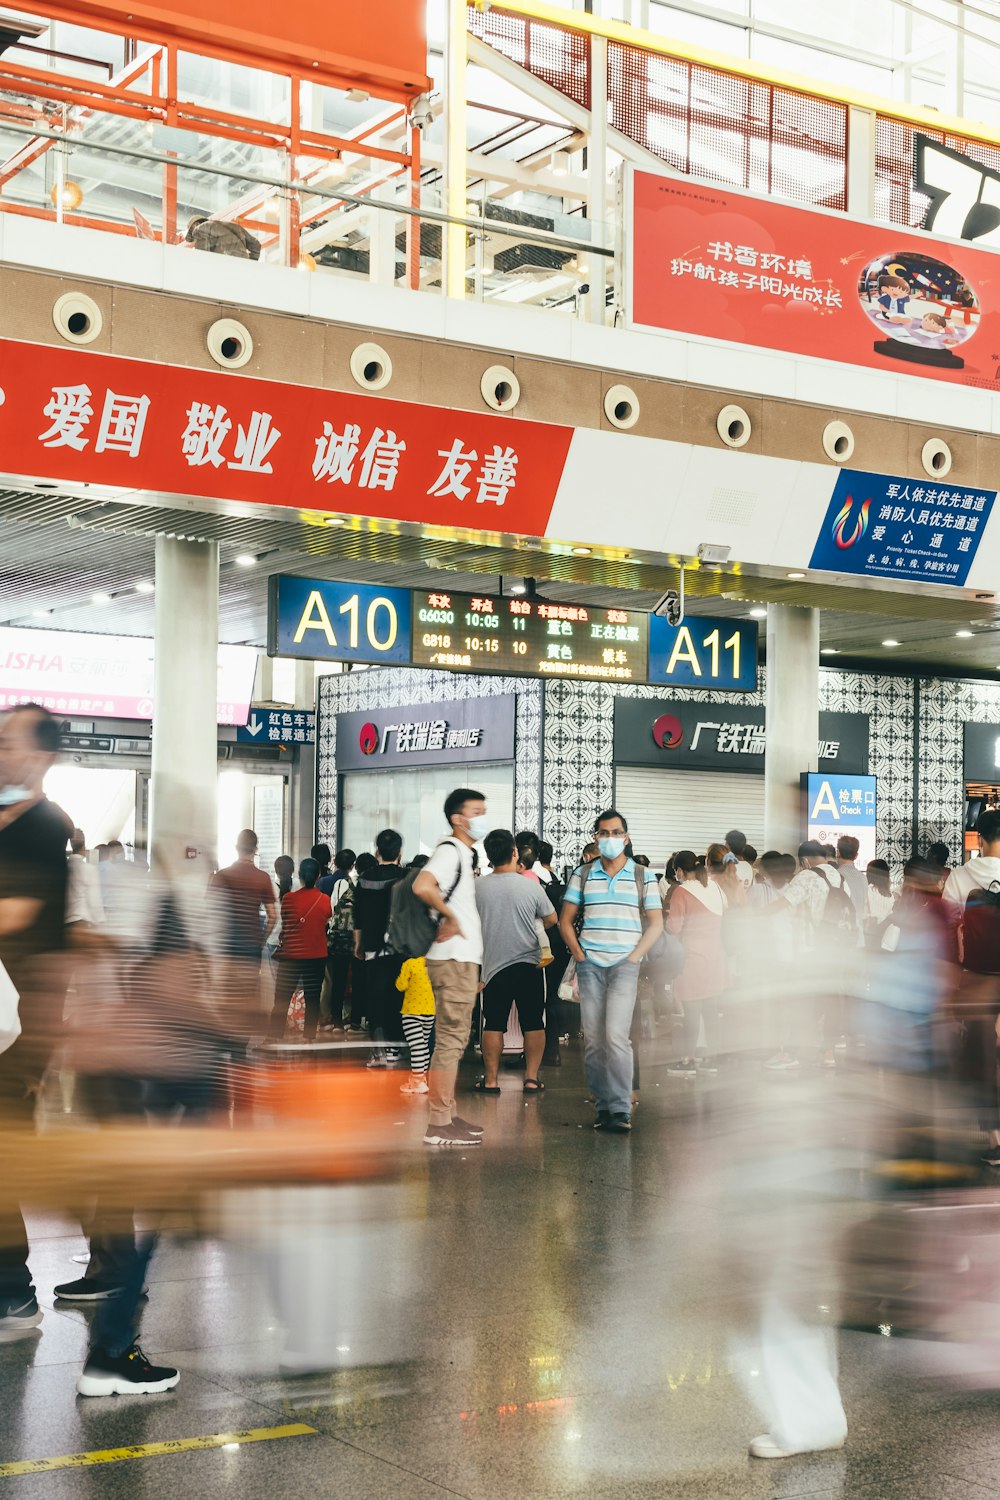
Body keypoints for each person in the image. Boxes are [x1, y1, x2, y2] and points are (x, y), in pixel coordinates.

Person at [0, 709, 75, 1336]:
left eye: (8, 741)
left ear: (41, 755)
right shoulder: (10, 821)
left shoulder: (45, 826)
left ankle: (14, 1293)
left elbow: (15, 915)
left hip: (18, 1027)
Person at [559, 810, 662, 1134]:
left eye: (616, 833)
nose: (610, 838)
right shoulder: (583, 875)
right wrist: (580, 955)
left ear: (626, 838)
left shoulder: (643, 876)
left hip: (624, 967)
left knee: (616, 1036)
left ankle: (618, 1110)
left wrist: (634, 958)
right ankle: (603, 1105)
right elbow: (565, 920)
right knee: (593, 1040)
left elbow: (657, 923)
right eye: (604, 833)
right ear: (595, 837)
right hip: (591, 965)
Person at [413, 789, 489, 1148]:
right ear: (458, 818)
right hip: (454, 958)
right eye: (476, 811)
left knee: (453, 1041)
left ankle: (447, 1114)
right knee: (450, 1041)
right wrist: (448, 916)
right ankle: (439, 1123)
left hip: (459, 958)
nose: (482, 818)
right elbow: (422, 885)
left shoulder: (463, 852)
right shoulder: (451, 851)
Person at [474, 829, 557, 1095]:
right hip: (530, 964)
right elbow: (552, 919)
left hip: (493, 967)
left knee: (494, 1022)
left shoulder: (478, 887)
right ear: (514, 853)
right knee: (533, 1021)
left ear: (489, 856)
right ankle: (531, 1079)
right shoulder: (530, 885)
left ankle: (490, 1081)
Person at [944, 811, 1000, 1167]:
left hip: (978, 979)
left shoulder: (961, 878)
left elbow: (950, 934)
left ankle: (995, 1139)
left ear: (978, 839)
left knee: (983, 1059)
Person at [666, 850, 728, 1077]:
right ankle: (712, 1059)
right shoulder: (714, 887)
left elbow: (674, 928)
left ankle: (687, 1061)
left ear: (680, 871)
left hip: (692, 958)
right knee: (711, 1010)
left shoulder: (681, 891)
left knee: (691, 1010)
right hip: (716, 956)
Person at [353, 828, 407, 1067]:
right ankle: (396, 1048)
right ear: (400, 852)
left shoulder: (364, 879)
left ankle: (377, 1050)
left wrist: (358, 944)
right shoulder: (407, 877)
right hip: (400, 948)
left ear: (377, 851)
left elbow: (358, 917)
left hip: (372, 947)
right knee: (397, 996)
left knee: (374, 997)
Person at [210, 829, 276, 1011]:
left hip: (227, 944)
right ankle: (243, 1034)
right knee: (248, 992)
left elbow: (211, 911)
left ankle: (226, 1032)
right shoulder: (262, 878)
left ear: (236, 848)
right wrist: (262, 939)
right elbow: (273, 916)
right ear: (255, 849)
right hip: (251, 944)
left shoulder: (222, 876)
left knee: (227, 991)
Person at [267, 857, 331, 1043]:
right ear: (318, 876)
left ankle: (274, 1036)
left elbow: (286, 922)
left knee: (282, 998)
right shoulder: (324, 900)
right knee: (312, 997)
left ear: (300, 876)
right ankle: (309, 1037)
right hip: (316, 955)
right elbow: (325, 919)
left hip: (291, 955)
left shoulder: (288, 898)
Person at [395, 955, 435, 1095]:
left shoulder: (409, 964)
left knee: (416, 1047)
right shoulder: (435, 964)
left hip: (411, 1012)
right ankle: (421, 1079)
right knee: (423, 1046)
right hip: (430, 1012)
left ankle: (417, 1082)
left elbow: (401, 985)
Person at [66, 828, 104, 932]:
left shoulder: (64, 869)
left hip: (66, 925)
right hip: (83, 924)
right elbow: (94, 900)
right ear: (84, 845)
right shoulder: (89, 869)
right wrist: (100, 924)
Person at [185, 213, 261, 260]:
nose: (195, 238)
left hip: (225, 266)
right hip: (241, 265)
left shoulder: (199, 229)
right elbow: (256, 246)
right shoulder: (233, 226)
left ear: (196, 225)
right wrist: (250, 262)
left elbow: (203, 258)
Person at [836, 836, 868, 927]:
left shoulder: (836, 876)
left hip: (843, 930)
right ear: (856, 855)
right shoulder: (863, 878)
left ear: (838, 852)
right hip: (859, 931)